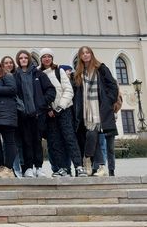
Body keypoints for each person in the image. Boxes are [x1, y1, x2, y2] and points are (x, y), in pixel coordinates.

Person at [39, 48, 87, 177]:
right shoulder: (39, 73)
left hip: (64, 110)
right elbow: (40, 94)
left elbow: (68, 90)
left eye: (49, 56)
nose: (47, 59)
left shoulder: (59, 71)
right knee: (55, 141)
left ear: (52, 58)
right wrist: (49, 109)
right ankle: (62, 168)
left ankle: (79, 166)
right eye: (44, 56)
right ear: (41, 59)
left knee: (70, 138)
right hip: (49, 113)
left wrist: (60, 107)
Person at [73, 46, 119, 177]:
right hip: (86, 112)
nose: (86, 55)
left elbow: (112, 86)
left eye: (88, 53)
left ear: (91, 54)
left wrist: (108, 102)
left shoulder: (101, 68)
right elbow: (77, 93)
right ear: (80, 56)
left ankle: (90, 161)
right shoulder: (79, 73)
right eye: (83, 53)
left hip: (101, 110)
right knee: (93, 136)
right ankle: (99, 166)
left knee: (94, 136)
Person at [14, 50, 56, 178]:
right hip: (24, 115)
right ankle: (28, 168)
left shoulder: (38, 74)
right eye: (20, 58)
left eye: (25, 57)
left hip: (38, 114)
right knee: (26, 142)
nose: (23, 60)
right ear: (18, 60)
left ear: (29, 59)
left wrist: (42, 104)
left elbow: (51, 90)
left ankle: (38, 167)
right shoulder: (15, 76)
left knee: (37, 142)